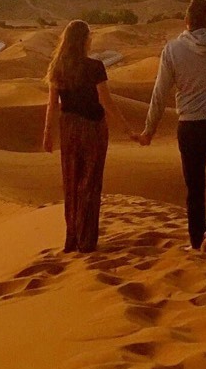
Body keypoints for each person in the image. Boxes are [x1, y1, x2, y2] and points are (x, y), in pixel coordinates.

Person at [139, 0, 206, 252]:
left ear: (186, 21)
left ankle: (197, 241)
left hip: (188, 127)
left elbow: (160, 92)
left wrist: (149, 130)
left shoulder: (172, 49)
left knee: (194, 189)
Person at [43, 20, 138, 252]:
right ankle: (86, 240)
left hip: (68, 128)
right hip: (93, 128)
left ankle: (72, 238)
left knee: (72, 182)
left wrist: (48, 133)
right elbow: (106, 102)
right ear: (84, 39)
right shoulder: (95, 67)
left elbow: (52, 105)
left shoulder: (58, 67)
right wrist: (127, 129)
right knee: (90, 182)